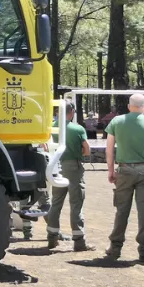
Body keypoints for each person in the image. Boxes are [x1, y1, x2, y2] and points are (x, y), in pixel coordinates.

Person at [104, 93, 144, 263]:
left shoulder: (116, 122)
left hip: (124, 170)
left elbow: (109, 149)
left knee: (121, 210)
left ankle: (115, 248)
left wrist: (111, 170)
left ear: (129, 106)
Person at [46, 101, 97, 252]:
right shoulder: (77, 129)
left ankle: (52, 237)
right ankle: (79, 241)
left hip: (56, 166)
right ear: (72, 112)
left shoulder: (50, 128)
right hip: (74, 168)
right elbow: (86, 149)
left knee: (56, 202)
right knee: (76, 203)